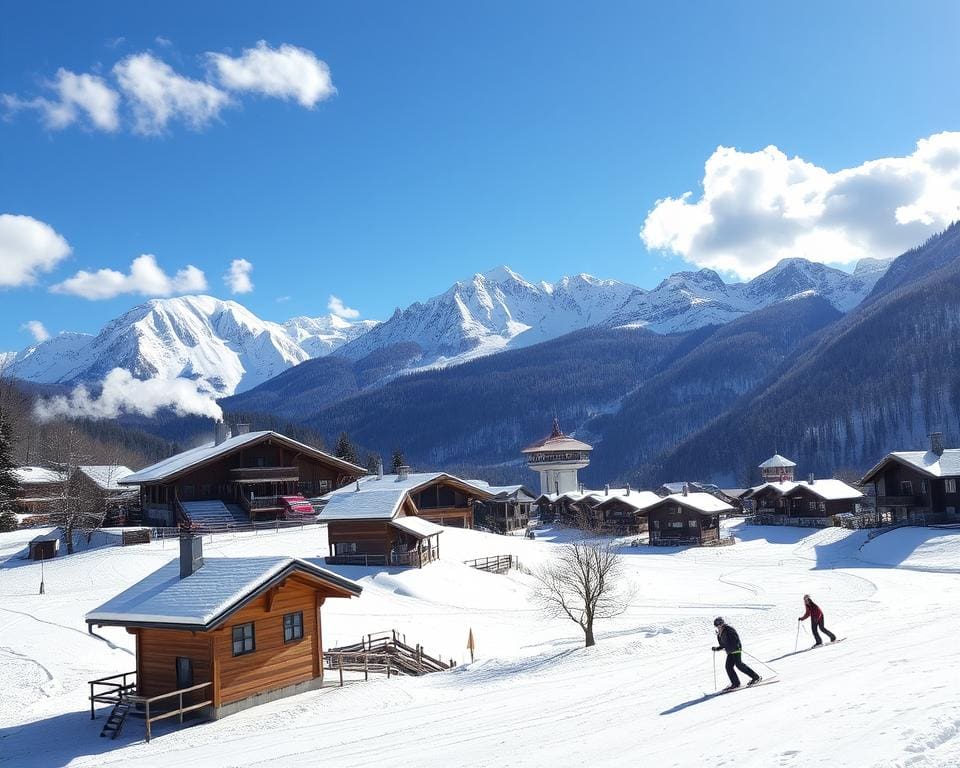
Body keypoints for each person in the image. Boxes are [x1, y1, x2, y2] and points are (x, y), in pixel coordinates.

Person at [712, 616, 761, 691]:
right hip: (730, 652)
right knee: (728, 667)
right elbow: (723, 645)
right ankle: (735, 683)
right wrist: (717, 648)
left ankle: (756, 677)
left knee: (739, 665)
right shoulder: (719, 634)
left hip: (736, 650)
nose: (718, 626)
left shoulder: (729, 629)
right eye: (717, 625)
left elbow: (736, 639)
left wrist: (736, 647)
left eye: (719, 624)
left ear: (722, 623)